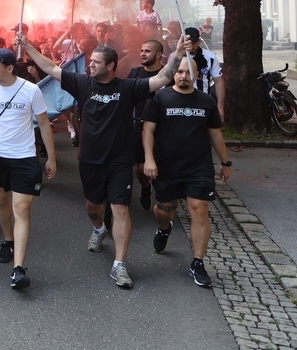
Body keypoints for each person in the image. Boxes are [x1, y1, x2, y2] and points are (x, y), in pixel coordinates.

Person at [17, 35, 183, 289]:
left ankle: (119, 265)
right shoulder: (83, 84)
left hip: (119, 160)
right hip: (90, 160)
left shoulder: (128, 87)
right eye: (91, 61)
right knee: (93, 207)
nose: (90, 65)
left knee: (119, 208)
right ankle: (98, 229)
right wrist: (27, 45)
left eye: (96, 62)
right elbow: (50, 68)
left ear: (111, 66)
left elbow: (162, 79)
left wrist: (178, 54)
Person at [0, 48, 55, 288]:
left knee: (22, 208)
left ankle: (18, 268)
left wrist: (52, 158)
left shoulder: (31, 90)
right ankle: (8, 240)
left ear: (9, 68)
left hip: (25, 158)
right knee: (2, 201)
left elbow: (45, 124)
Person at [142, 56, 232, 288]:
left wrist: (226, 162)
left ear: (197, 76)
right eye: (179, 71)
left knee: (199, 210)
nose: (183, 76)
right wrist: (149, 159)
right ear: (173, 73)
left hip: (198, 167)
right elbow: (148, 131)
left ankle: (198, 262)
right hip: (167, 166)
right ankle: (164, 229)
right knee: (164, 211)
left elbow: (215, 134)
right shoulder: (160, 98)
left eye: (188, 72)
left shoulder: (206, 101)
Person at [129, 40, 170, 210]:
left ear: (159, 54)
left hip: (165, 127)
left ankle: (165, 200)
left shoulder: (169, 74)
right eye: (141, 50)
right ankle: (145, 187)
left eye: (147, 51)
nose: (143, 54)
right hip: (139, 125)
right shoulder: (135, 73)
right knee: (141, 167)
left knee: (164, 165)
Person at [184, 27, 226, 119]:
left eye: (194, 43)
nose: (192, 46)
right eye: (189, 43)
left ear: (199, 41)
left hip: (203, 101)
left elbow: (218, 81)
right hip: (181, 101)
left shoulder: (210, 57)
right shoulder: (176, 57)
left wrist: (220, 106)